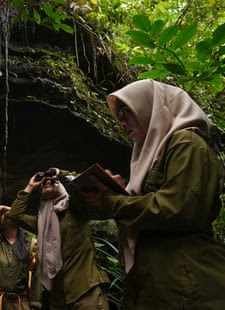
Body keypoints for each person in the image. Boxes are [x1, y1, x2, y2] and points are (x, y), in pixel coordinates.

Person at [79, 79, 225, 308]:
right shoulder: (151, 156)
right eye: (119, 117)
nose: (122, 122)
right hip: (160, 285)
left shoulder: (187, 143)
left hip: (187, 285)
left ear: (152, 107)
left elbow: (176, 208)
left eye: (127, 111)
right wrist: (120, 192)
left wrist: (112, 201)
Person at [9, 170, 110, 309]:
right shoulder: (41, 222)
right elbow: (15, 215)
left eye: (52, 181)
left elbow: (84, 184)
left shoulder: (76, 208)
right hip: (58, 298)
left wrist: (60, 173)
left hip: (86, 291)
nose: (48, 182)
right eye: (44, 183)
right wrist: (30, 187)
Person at [0, 205, 41, 310]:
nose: (7, 214)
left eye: (11, 213)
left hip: (18, 304)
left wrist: (35, 305)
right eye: (3, 214)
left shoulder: (31, 245)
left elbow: (37, 278)